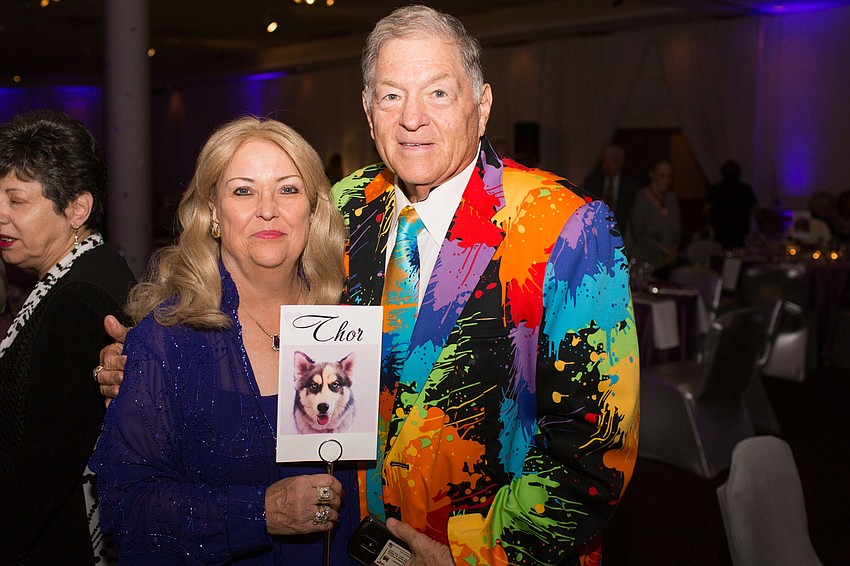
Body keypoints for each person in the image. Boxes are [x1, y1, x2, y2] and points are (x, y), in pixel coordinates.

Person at [96, 6, 640, 565]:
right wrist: (149, 369)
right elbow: (255, 284)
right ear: (368, 110)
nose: (412, 119)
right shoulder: (346, 208)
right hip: (352, 548)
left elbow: (596, 446)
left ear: (481, 106)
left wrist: (470, 556)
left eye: (438, 93)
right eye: (391, 96)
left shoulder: (565, 226)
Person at [88, 116, 360, 564]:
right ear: (213, 211)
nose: (267, 209)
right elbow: (127, 506)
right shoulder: (169, 340)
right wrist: (261, 513)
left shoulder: (349, 325)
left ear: (313, 209)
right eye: (243, 191)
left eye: (288, 189)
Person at [0, 109, 136, 564]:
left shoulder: (82, 297)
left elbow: (46, 467)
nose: (0, 215)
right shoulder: (78, 274)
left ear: (77, 209)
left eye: (17, 201)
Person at [626, 159, 682, 279]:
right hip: (646, 262)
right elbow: (639, 234)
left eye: (669, 176)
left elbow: (677, 231)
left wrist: (673, 250)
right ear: (652, 175)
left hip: (670, 262)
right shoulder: (641, 200)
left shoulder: (672, 200)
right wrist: (663, 250)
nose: (666, 180)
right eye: (662, 176)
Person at [583, 143, 642, 231]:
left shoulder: (630, 185)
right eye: (605, 161)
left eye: (612, 161)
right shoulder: (593, 182)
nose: (608, 165)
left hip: (622, 229)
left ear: (620, 162)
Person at [706, 159, 757, 249]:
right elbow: (756, 209)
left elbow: (706, 209)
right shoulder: (745, 189)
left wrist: (709, 222)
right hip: (740, 229)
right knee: (739, 252)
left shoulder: (716, 189)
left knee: (721, 251)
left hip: (721, 228)